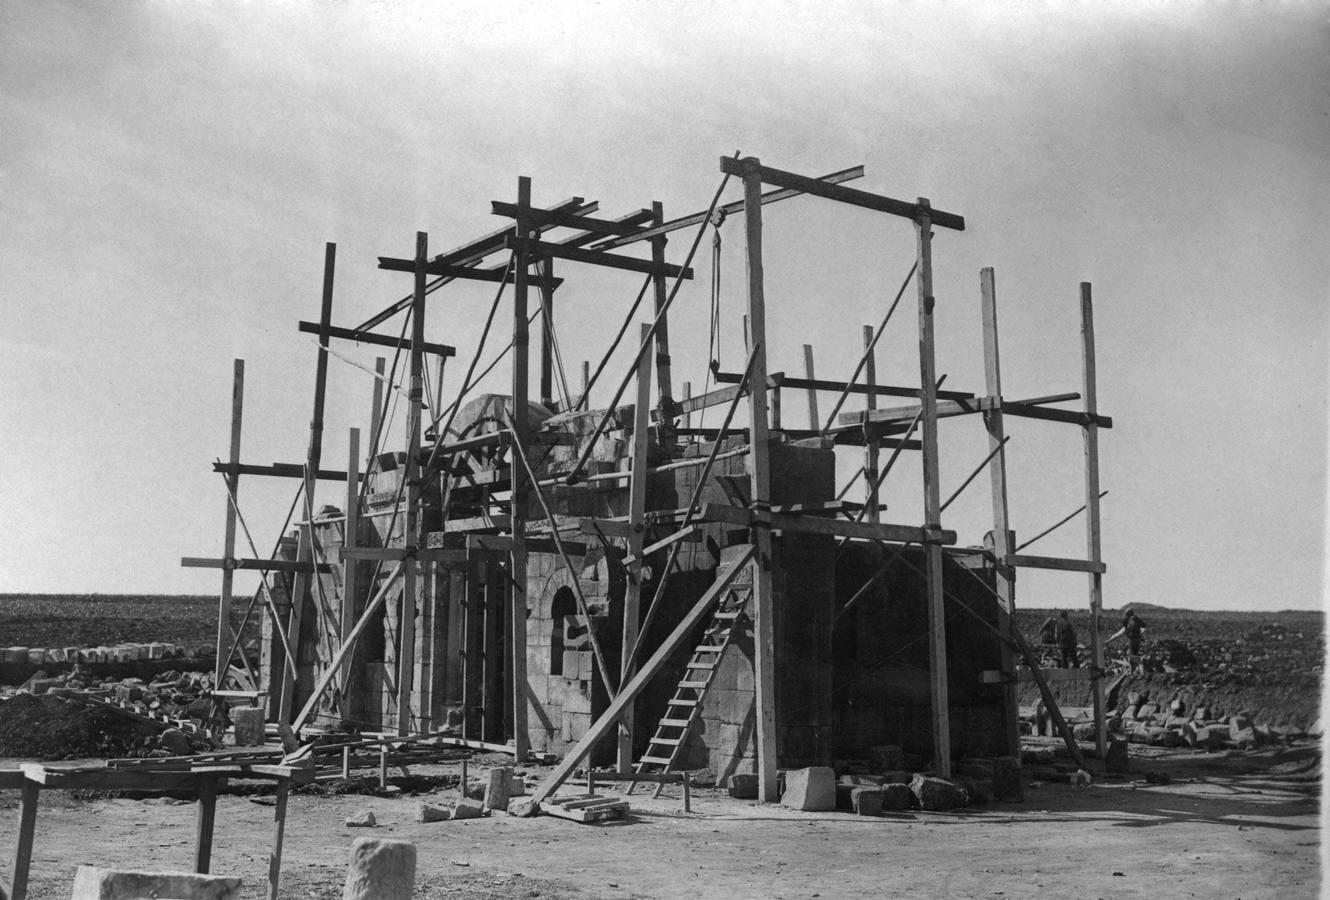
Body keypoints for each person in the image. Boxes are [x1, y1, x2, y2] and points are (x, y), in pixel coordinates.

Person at [1123, 607, 1147, 674]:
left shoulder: (1130, 620)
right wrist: (1140, 634)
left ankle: (1133, 672)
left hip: (1132, 639)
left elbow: (1128, 629)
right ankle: (1135, 670)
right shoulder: (1137, 619)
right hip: (1136, 639)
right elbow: (1144, 625)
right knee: (1135, 653)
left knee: (1132, 655)